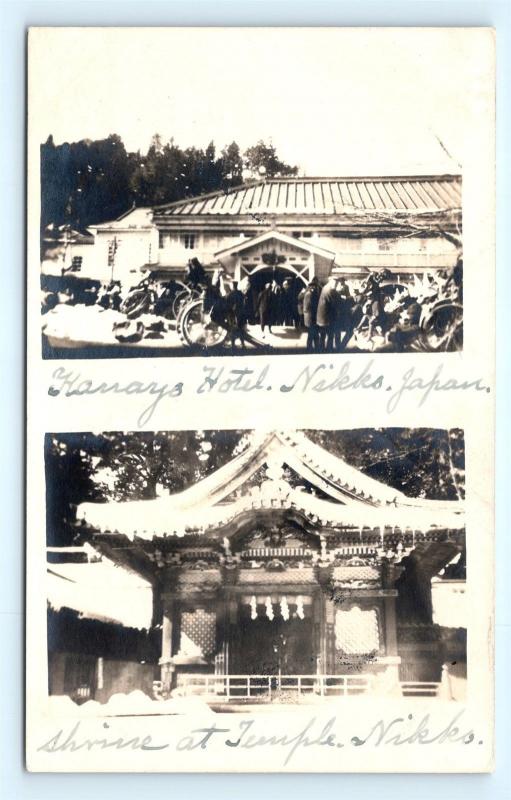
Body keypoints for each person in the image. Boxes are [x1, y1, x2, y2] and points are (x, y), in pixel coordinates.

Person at [316, 276, 340, 351]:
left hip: (322, 317)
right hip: (326, 318)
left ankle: (321, 349)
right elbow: (334, 304)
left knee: (323, 335)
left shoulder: (325, 287)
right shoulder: (329, 290)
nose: (336, 285)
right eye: (336, 283)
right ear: (331, 282)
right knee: (330, 335)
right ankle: (329, 350)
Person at [303, 278, 320, 351]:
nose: (315, 287)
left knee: (313, 333)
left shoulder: (310, 293)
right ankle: (310, 348)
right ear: (311, 287)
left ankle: (313, 347)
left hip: (310, 316)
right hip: (311, 317)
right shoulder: (309, 294)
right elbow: (308, 307)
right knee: (312, 333)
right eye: (314, 286)